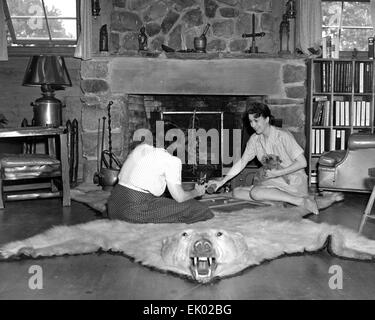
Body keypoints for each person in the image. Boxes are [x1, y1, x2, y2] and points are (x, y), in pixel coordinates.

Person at [207, 102, 319, 214]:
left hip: (293, 182)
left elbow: (302, 163)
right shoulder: (255, 139)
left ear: (267, 119)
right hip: (274, 181)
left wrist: (278, 174)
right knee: (237, 192)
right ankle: (279, 201)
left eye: (256, 121)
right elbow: (242, 162)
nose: (253, 125)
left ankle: (301, 201)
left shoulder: (283, 136)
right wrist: (222, 181)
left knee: (255, 193)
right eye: (251, 121)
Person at [107, 141, 214, 223]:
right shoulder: (173, 161)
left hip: (113, 206)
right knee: (199, 208)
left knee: (164, 202)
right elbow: (180, 198)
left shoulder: (141, 148)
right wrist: (197, 192)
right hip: (134, 210)